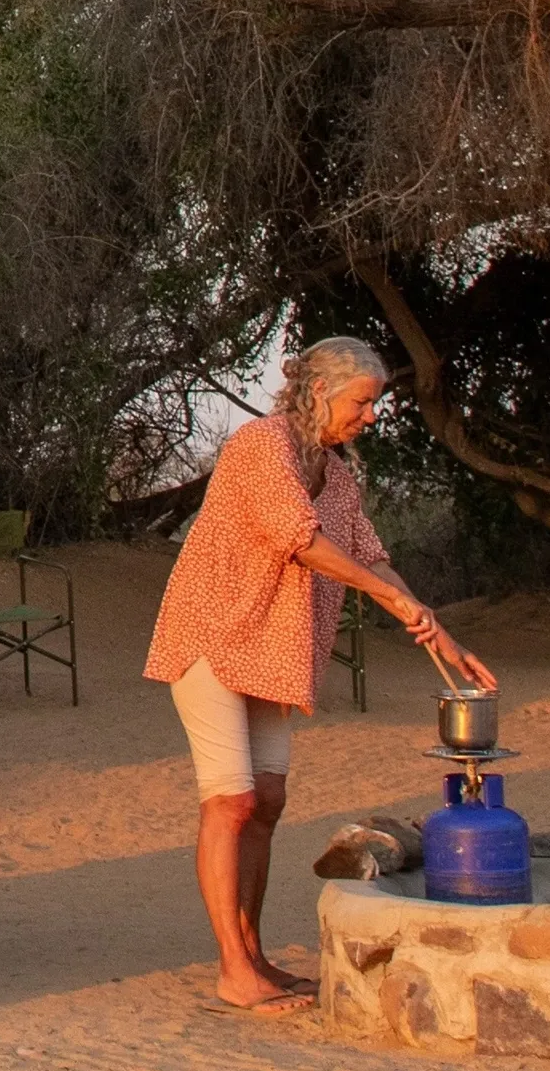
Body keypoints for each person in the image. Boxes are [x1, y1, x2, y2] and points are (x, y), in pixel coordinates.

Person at [145, 334, 492, 1014]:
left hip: (271, 652)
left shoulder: (337, 472)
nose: (370, 416)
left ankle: (253, 953)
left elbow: (371, 557)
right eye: (363, 402)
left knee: (267, 801)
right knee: (232, 801)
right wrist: (388, 596)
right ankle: (232, 968)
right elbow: (300, 540)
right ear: (319, 392)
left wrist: (440, 633)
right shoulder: (260, 446)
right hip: (212, 637)